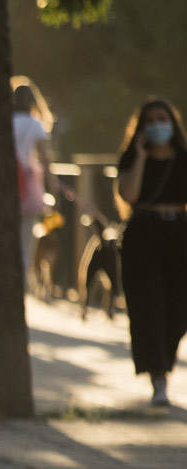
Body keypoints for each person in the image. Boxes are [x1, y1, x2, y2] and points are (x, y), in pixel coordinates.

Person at [114, 98, 187, 407]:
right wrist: (141, 158)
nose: (158, 125)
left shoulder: (183, 158)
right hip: (143, 234)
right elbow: (128, 195)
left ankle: (164, 362)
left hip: (179, 232)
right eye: (152, 121)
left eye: (163, 119)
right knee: (149, 307)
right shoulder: (132, 158)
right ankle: (159, 377)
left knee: (178, 308)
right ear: (142, 128)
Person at [11, 76, 56, 287]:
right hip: (29, 187)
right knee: (25, 241)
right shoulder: (35, 125)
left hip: (7, 185)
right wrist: (53, 185)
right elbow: (45, 158)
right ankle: (21, 284)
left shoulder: (5, 123)